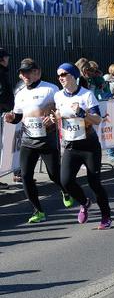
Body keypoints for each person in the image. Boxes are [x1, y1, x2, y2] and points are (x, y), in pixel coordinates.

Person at [3, 59, 72, 223]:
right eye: (21, 72)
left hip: (47, 139)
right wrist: (11, 118)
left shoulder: (50, 89)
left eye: (27, 71)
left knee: (54, 175)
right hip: (28, 140)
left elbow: (60, 109)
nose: (24, 75)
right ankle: (38, 211)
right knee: (26, 176)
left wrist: (53, 117)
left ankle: (66, 190)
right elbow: (19, 116)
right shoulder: (20, 93)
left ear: (37, 72)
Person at [54, 63, 113, 229]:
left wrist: (83, 114)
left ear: (74, 76)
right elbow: (60, 114)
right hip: (70, 145)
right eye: (59, 75)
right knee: (65, 181)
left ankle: (106, 216)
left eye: (64, 74)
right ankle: (84, 202)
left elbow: (98, 119)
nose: (61, 78)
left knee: (94, 183)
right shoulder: (58, 96)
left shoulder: (86, 95)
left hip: (89, 146)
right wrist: (55, 117)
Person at [0, 47, 18, 186]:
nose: (8, 59)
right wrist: (6, 108)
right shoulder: (0, 72)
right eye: (6, 57)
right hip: (2, 113)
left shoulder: (3, 72)